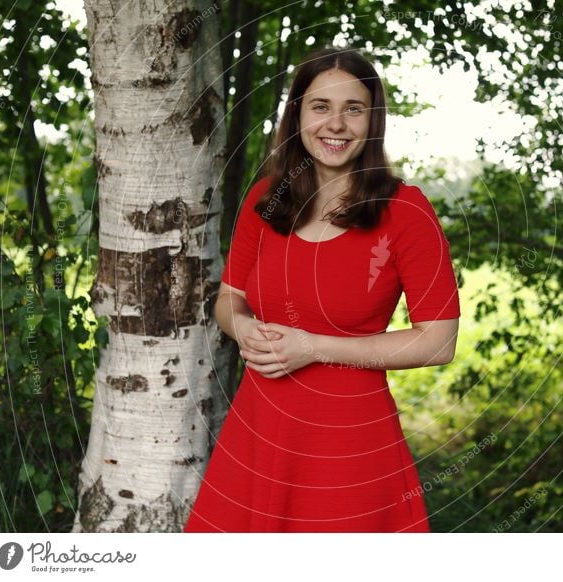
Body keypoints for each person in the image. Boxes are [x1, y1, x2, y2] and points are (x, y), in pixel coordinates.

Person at [183, 46, 460, 533]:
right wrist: (242, 325)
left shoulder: (406, 211)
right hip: (259, 433)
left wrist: (314, 347)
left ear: (373, 122)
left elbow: (439, 341)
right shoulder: (264, 198)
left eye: (353, 109)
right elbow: (229, 299)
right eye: (320, 107)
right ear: (297, 115)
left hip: (348, 446)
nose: (336, 124)